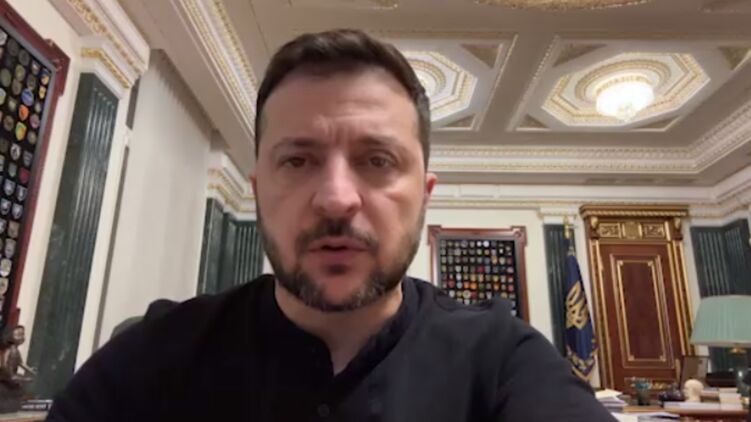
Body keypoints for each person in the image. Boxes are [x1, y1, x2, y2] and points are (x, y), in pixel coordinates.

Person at [47, 29, 614, 421]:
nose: (337, 199)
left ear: (424, 196)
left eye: (377, 160)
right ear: (258, 189)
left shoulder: (503, 358)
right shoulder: (156, 353)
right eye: (298, 161)